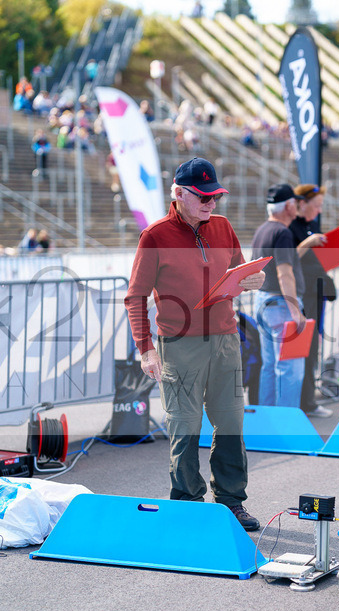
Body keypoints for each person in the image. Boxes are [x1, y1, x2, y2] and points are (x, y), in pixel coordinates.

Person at [125, 157, 266, 531]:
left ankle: (232, 502)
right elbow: (135, 297)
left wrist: (255, 278)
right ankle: (188, 504)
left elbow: (240, 270)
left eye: (215, 196)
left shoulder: (222, 226)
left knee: (232, 425)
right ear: (179, 194)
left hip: (224, 339)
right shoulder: (154, 236)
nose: (211, 203)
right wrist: (146, 350)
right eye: (203, 197)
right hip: (179, 343)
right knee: (185, 427)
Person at [250, 184, 324, 408]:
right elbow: (285, 273)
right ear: (289, 206)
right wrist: (295, 312)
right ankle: (287, 425)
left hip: (264, 302)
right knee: (290, 369)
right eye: (294, 203)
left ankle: (269, 422)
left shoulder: (262, 230)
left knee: (270, 366)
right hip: (281, 306)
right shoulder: (282, 233)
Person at [289, 183, 335, 418]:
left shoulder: (309, 225)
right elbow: (287, 259)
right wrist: (309, 243)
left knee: (312, 347)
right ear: (302, 203)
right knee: (302, 349)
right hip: (301, 295)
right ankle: (303, 402)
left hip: (316, 294)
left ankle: (307, 400)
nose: (318, 211)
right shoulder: (290, 226)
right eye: (316, 206)